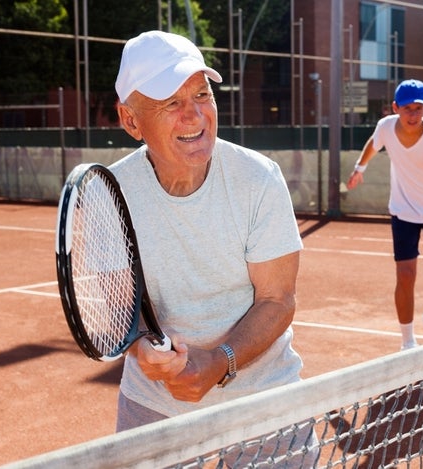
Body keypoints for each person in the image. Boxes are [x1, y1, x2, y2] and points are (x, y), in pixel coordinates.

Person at [110, 30, 316, 463]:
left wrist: (219, 361)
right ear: (131, 121)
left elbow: (277, 300)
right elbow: (119, 307)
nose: (194, 116)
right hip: (154, 408)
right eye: (171, 104)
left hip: (266, 406)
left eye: (202, 96)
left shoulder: (258, 178)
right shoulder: (109, 193)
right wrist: (141, 349)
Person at [346, 79, 423, 350]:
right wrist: (359, 169)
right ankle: (408, 341)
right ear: (395, 108)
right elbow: (373, 144)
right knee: (406, 274)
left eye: (419, 108)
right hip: (403, 211)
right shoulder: (385, 127)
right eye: (407, 108)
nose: (413, 114)